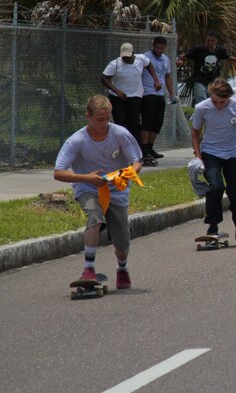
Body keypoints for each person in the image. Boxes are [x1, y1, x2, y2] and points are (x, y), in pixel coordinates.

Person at [54, 95, 143, 289]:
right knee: (94, 217)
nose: (104, 124)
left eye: (107, 119)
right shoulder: (77, 140)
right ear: (88, 116)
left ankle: (122, 268)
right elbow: (58, 172)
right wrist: (87, 178)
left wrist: (127, 174)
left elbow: (137, 162)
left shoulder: (120, 134)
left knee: (122, 241)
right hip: (88, 187)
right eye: (99, 120)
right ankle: (89, 269)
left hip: (116, 190)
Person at [191, 77, 236, 245]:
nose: (219, 105)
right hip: (210, 152)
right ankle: (212, 227)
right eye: (215, 102)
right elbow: (195, 132)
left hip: (233, 153)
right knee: (215, 188)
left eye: (222, 102)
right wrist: (198, 157)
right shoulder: (202, 107)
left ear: (229, 98)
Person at [101, 42, 159, 145]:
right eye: (124, 57)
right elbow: (104, 78)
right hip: (118, 97)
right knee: (120, 122)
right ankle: (119, 146)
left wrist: (156, 80)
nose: (126, 59)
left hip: (135, 96)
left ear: (133, 53)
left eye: (128, 57)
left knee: (134, 123)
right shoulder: (115, 63)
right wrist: (117, 91)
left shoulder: (141, 59)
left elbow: (149, 65)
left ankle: (136, 149)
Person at [177, 31, 236, 106]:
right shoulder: (199, 49)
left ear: (216, 41)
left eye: (212, 41)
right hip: (200, 81)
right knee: (202, 101)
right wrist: (180, 60)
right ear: (205, 40)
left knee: (213, 103)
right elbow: (185, 56)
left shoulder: (220, 50)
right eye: (208, 41)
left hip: (214, 83)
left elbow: (228, 57)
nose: (210, 43)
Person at [139, 36, 176, 160]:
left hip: (160, 94)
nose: (159, 50)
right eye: (157, 47)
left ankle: (150, 147)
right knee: (147, 122)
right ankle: (143, 148)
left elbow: (168, 77)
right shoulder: (145, 57)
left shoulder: (165, 59)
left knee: (157, 122)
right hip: (148, 93)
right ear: (153, 46)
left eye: (162, 48)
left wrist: (171, 93)